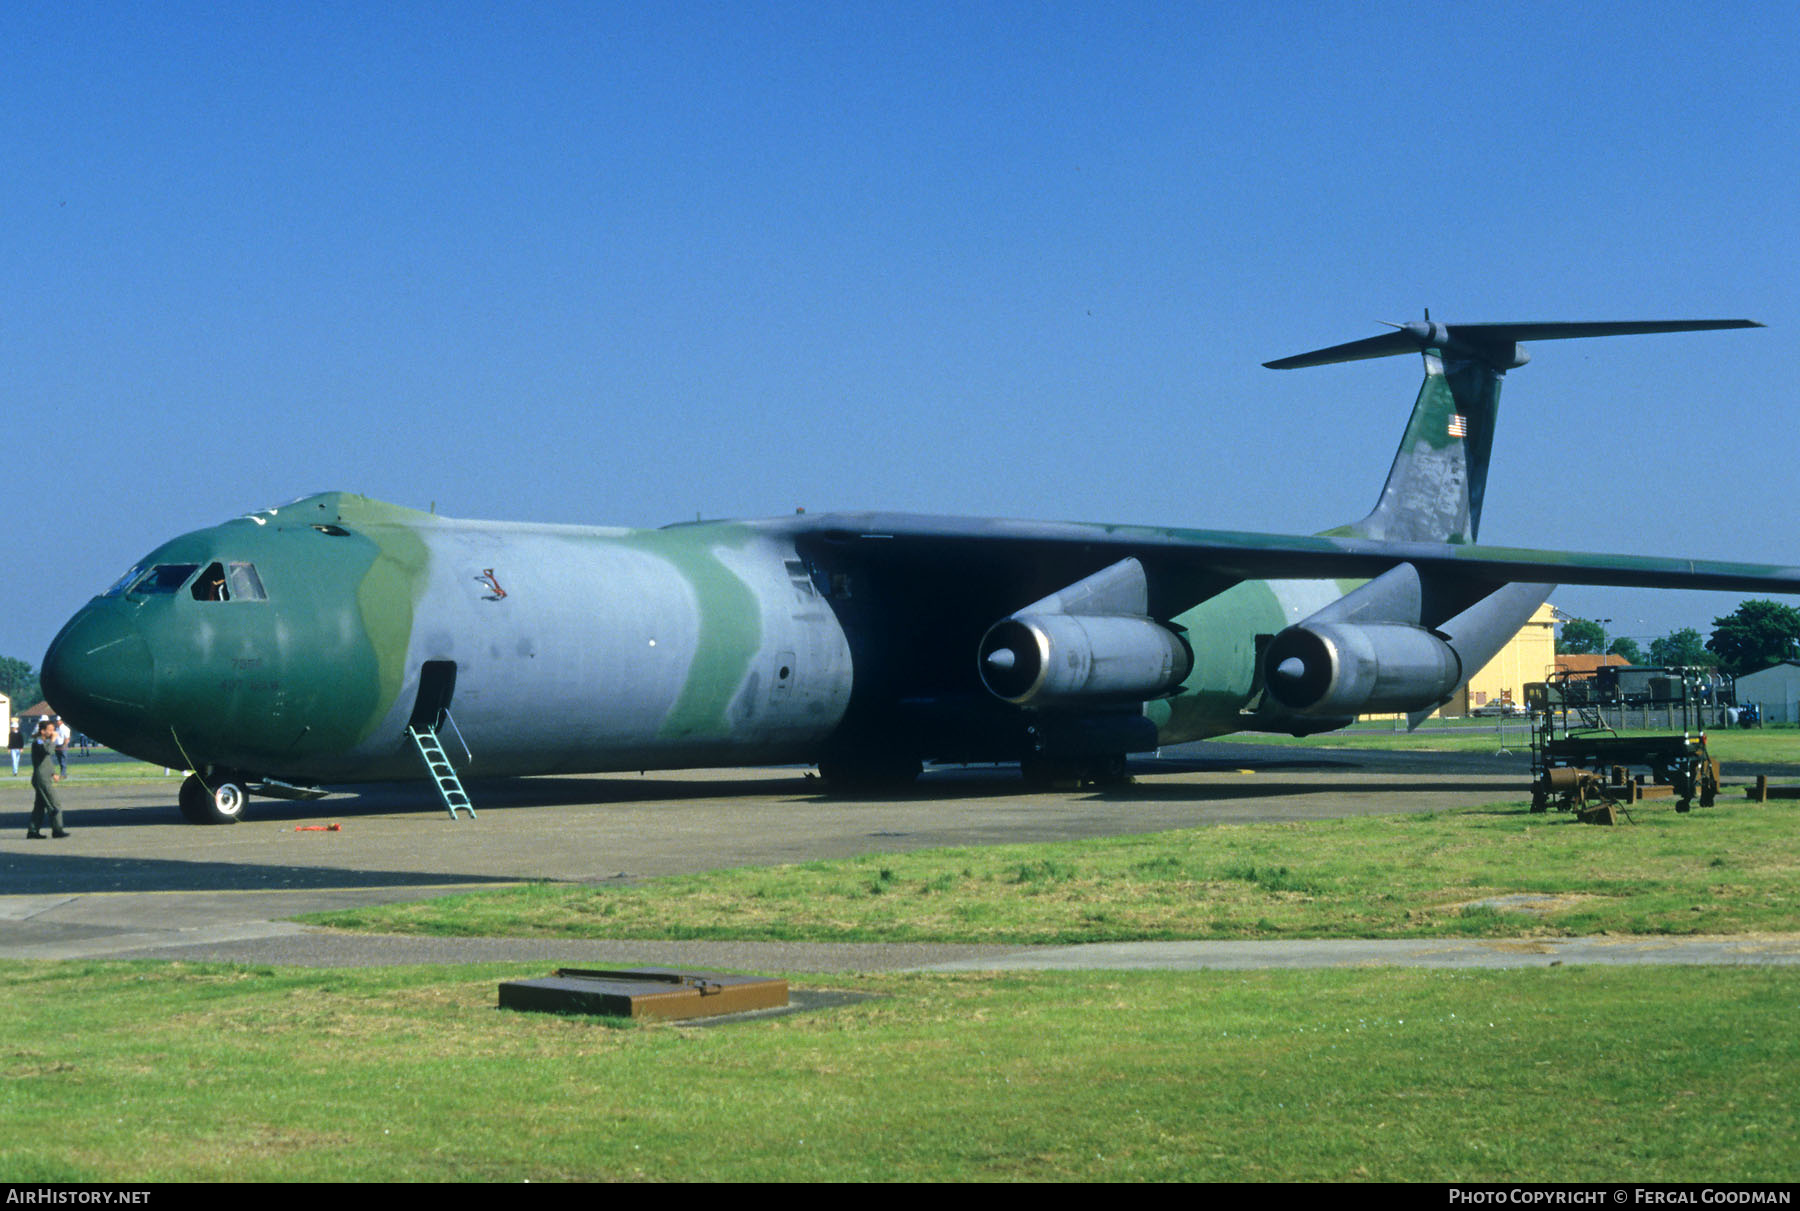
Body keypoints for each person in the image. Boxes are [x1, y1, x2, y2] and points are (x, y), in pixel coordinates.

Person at [28, 720, 68, 839]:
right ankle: (57, 830)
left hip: (45, 776)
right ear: (43, 731)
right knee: (54, 804)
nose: (52, 732)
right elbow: (48, 751)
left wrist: (53, 773)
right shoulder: (39, 741)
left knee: (39, 806)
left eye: (53, 730)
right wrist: (53, 740)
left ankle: (33, 831)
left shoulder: (44, 741)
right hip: (41, 779)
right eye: (49, 730)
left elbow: (47, 760)